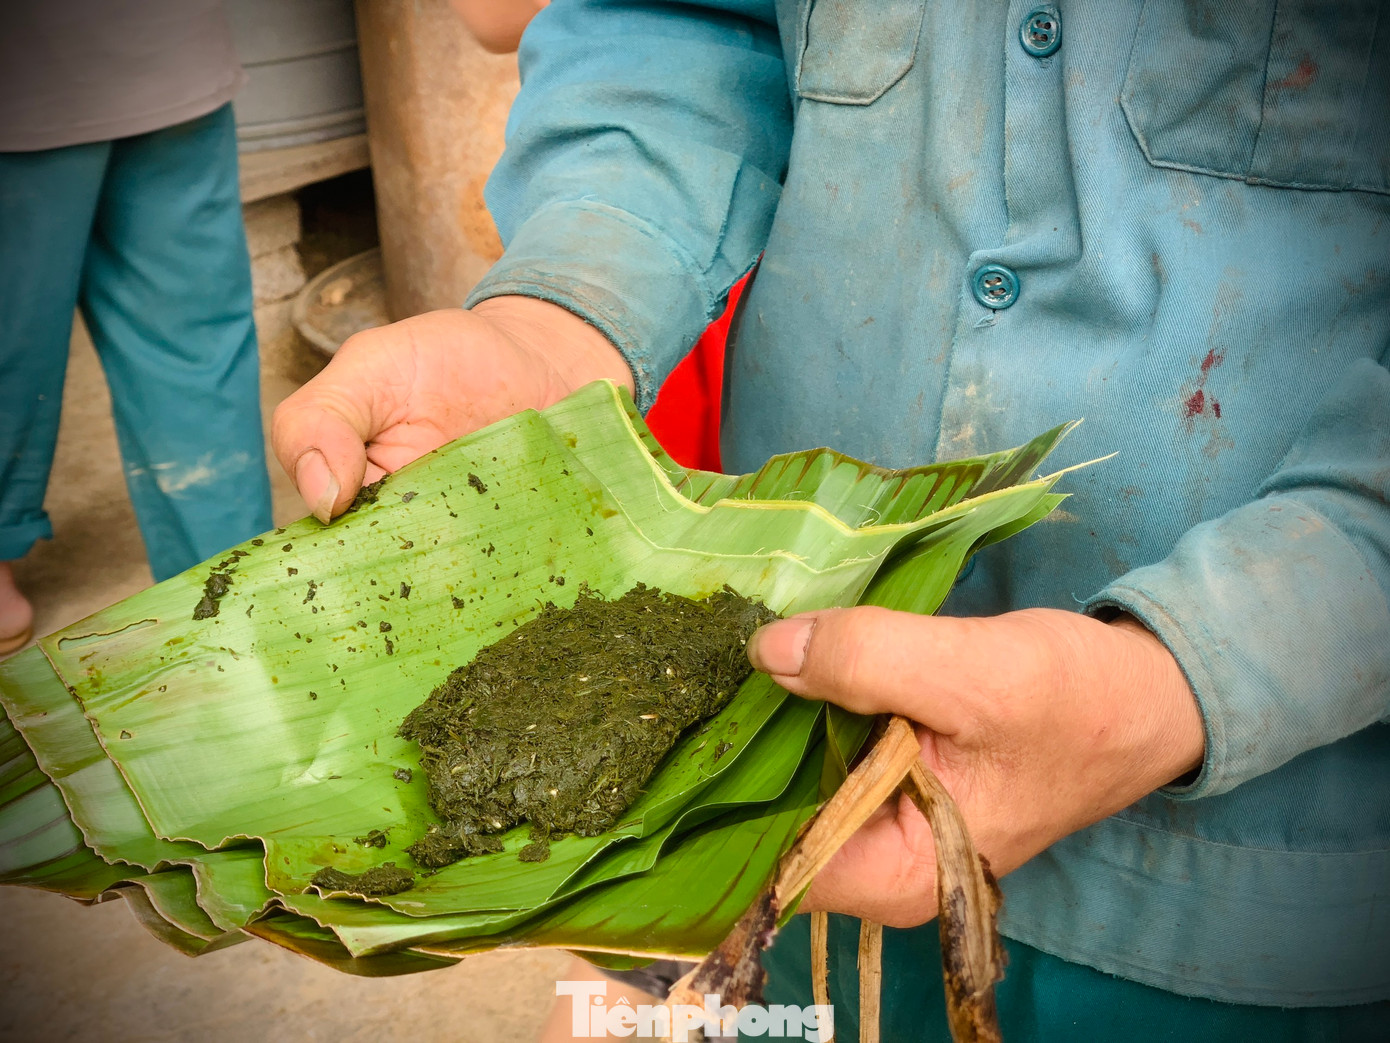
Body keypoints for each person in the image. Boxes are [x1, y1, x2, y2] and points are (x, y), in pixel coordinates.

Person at [272, 2, 1390, 1037]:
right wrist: (561, 313)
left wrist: (1183, 675)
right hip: (780, 790)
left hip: (1264, 883)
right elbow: (679, 23)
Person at [0, 0, 273, 654]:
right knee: (196, 352)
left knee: (12, 344)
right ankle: (234, 593)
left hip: (21, 82)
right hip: (171, 57)